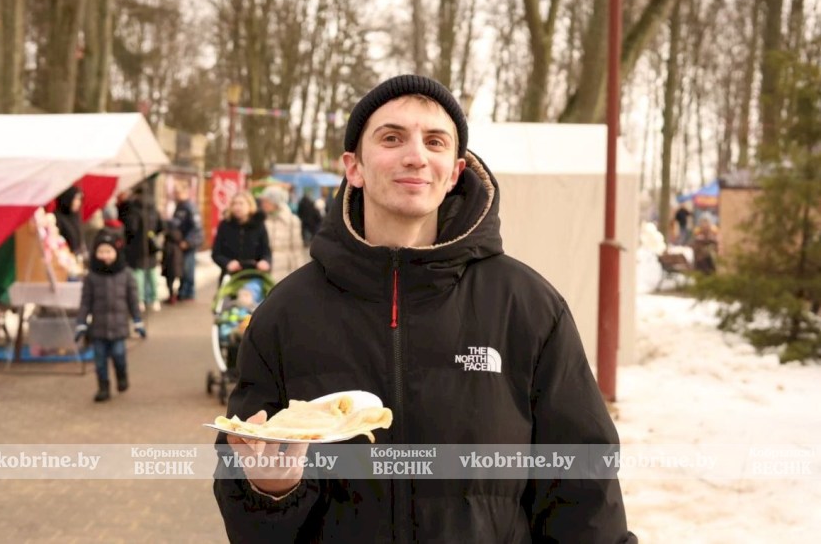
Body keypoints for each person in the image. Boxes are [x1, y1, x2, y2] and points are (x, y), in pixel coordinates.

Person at [213, 75, 635, 542]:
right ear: (353, 167)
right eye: (392, 138)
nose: (415, 155)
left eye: (434, 141)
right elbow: (244, 502)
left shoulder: (527, 307)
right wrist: (269, 492)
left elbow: (584, 488)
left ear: (454, 172)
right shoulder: (288, 313)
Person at [74, 229, 146, 402]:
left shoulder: (126, 274)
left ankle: (122, 376)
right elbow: (85, 303)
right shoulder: (91, 277)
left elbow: (133, 301)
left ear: (116, 252)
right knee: (99, 361)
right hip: (98, 329)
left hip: (119, 327)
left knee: (119, 356)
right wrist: (81, 324)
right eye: (101, 251)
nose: (105, 255)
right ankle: (103, 388)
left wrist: (138, 321)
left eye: (108, 251)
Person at [118, 186, 164, 312]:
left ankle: (140, 301)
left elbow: (131, 228)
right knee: (152, 274)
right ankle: (154, 299)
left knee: (139, 276)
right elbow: (161, 226)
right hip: (151, 246)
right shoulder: (154, 208)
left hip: (136, 247)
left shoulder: (133, 208)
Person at [211, 191, 272, 281]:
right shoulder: (225, 225)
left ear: (249, 205)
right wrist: (227, 263)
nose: (237, 207)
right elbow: (216, 253)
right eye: (234, 204)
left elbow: (266, 251)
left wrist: (265, 262)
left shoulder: (259, 225)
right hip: (230, 276)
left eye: (241, 203)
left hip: (254, 275)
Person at [257, 185, 307, 282]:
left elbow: (297, 249)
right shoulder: (261, 219)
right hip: (264, 266)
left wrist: (300, 274)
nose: (263, 204)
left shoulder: (292, 221)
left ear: (275, 202)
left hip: (285, 269)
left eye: (266, 201)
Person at [170, 181, 204, 301]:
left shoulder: (189, 207)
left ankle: (188, 292)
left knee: (188, 268)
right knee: (182, 268)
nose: (175, 194)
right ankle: (183, 291)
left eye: (178, 192)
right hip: (180, 243)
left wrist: (188, 242)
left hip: (188, 244)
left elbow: (197, 227)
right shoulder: (179, 206)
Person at [53, 186, 86, 259]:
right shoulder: (57, 217)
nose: (78, 203)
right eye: (76, 199)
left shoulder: (75, 216)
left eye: (79, 199)